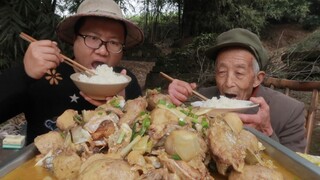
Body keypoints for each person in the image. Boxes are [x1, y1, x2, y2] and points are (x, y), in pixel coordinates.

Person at [0, 0, 144, 144]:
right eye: (93, 38)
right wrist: (23, 73)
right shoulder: (45, 75)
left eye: (114, 42)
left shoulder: (126, 81)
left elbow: (143, 136)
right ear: (75, 39)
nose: (102, 51)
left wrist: (121, 107)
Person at [168, 28, 306, 152]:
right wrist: (172, 100)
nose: (228, 83)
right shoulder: (202, 99)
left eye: (239, 73)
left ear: (258, 78)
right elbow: (171, 126)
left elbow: (299, 169)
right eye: (222, 72)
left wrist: (267, 133)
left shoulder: (290, 112)